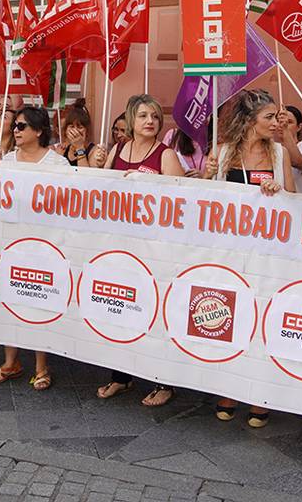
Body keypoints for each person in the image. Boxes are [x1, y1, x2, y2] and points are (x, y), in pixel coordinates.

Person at [202, 89, 290, 427]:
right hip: (229, 252)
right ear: (250, 120)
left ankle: (257, 395)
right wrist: (208, 175)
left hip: (267, 255)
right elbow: (204, 200)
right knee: (231, 321)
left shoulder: (279, 153)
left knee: (260, 323)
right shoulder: (223, 153)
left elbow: (293, 201)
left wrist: (277, 191)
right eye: (269, 117)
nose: (275, 122)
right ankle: (228, 391)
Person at [97, 94, 185, 407]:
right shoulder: (117, 150)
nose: (150, 121)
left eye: (155, 117)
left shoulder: (166, 155)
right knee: (120, 310)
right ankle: (121, 376)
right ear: (131, 121)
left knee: (157, 313)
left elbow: (180, 205)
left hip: (155, 250)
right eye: (143, 116)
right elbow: (102, 189)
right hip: (122, 247)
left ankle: (164, 382)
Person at [0, 106, 69, 391]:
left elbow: (70, 204)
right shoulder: (6, 161)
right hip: (11, 245)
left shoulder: (57, 164)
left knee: (39, 304)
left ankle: (41, 366)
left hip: (44, 248)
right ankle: (11, 361)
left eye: (21, 126)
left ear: (39, 130)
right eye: (15, 126)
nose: (16, 131)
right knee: (10, 303)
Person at [277, 105, 302, 192]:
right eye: (279, 121)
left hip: (301, 202)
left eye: (289, 122)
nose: (282, 124)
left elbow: (296, 162)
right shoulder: (274, 148)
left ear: (299, 127)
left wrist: (285, 130)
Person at [60, 99, 107, 168]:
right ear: (66, 130)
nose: (75, 131)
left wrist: (79, 148)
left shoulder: (95, 151)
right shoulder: (62, 149)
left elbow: (85, 175)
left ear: (87, 130)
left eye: (79, 127)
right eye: (72, 126)